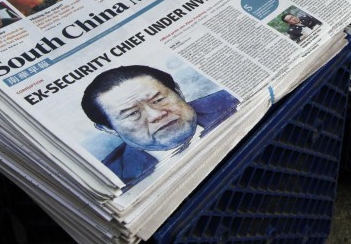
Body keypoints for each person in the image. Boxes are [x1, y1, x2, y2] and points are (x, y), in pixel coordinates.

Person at [81, 65, 238, 185]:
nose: (156, 114)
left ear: (178, 91)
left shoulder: (233, 98)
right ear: (108, 129)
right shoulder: (112, 178)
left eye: (158, 100)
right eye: (132, 113)